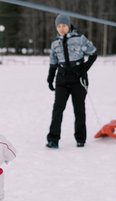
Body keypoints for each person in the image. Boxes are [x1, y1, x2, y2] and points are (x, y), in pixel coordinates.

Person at [46, 13, 98, 149]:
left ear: (69, 26)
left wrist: (84, 69)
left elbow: (93, 53)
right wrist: (50, 78)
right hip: (62, 78)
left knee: (79, 109)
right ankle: (53, 139)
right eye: (58, 26)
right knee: (58, 109)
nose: (61, 28)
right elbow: (53, 61)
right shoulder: (55, 43)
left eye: (64, 26)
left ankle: (80, 139)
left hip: (78, 78)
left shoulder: (80, 39)